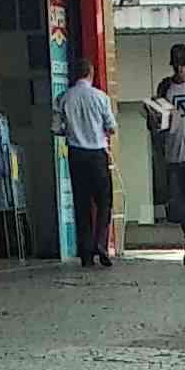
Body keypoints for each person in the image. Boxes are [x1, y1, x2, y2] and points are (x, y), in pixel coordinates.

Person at [55, 49, 115, 269]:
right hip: (97, 154)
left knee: (81, 204)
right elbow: (111, 127)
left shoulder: (63, 98)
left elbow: (56, 128)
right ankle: (101, 243)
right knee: (104, 202)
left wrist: (72, 130)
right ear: (91, 73)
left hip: (76, 154)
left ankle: (86, 253)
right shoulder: (101, 97)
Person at [148, 38, 185, 266]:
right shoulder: (165, 87)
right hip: (172, 152)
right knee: (178, 203)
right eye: (175, 64)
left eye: (180, 64)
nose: (178, 69)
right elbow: (157, 122)